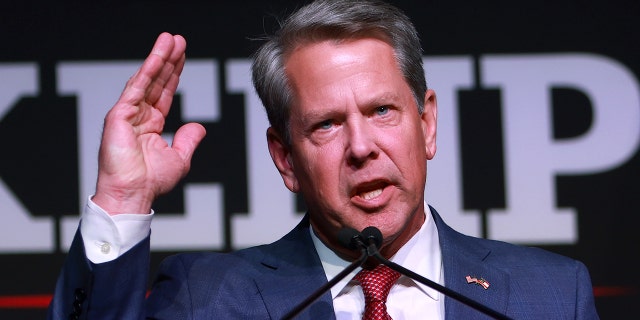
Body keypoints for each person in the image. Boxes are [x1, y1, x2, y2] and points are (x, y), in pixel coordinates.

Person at [47, 0, 599, 319]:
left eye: (382, 110)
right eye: (327, 124)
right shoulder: (211, 297)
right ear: (285, 158)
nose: (362, 147)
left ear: (427, 123)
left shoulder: (549, 295)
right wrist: (123, 198)